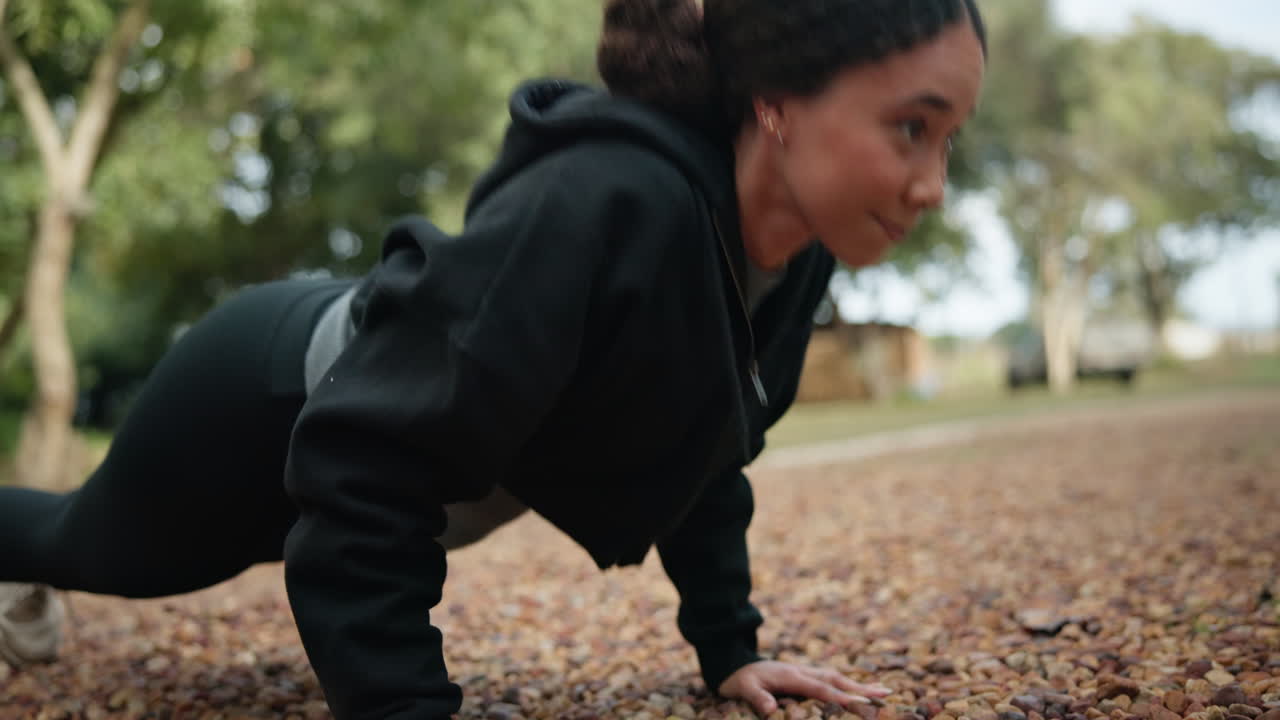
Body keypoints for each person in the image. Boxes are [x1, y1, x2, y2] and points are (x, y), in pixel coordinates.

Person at [0, 0, 987, 716]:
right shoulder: (603, 201)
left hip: (362, 424)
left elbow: (705, 439)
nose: (932, 186)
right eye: (909, 128)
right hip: (265, 397)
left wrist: (730, 649)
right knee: (90, 549)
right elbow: (365, 467)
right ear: (775, 101)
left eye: (947, 140)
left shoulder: (792, 251)